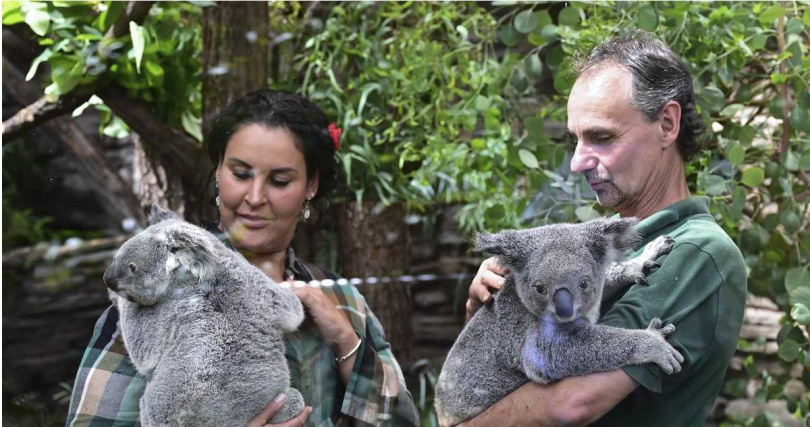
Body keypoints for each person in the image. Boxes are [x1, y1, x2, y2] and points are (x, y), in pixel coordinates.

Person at [66, 89, 419, 427]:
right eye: (240, 174)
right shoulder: (149, 298)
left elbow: (402, 423)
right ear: (218, 171)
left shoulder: (343, 301)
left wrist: (345, 338)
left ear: (311, 185)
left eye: (279, 181)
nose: (254, 197)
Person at [463, 30, 747, 426]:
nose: (578, 162)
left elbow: (571, 402)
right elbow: (513, 368)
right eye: (576, 140)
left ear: (667, 124)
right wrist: (491, 312)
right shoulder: (594, 244)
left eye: (601, 137)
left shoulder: (697, 252)